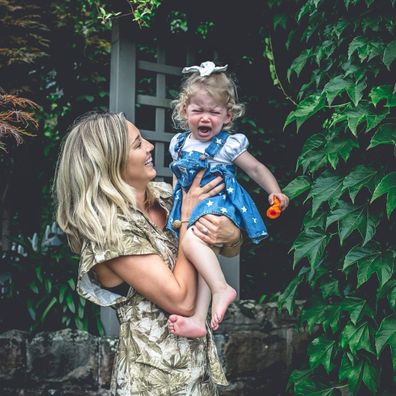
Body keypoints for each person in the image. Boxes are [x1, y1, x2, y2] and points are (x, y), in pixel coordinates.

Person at [54, 112, 242, 395]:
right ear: (110, 161)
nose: (151, 146)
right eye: (138, 144)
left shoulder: (167, 196)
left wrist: (232, 235)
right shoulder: (109, 231)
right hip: (154, 381)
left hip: (197, 375)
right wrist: (189, 219)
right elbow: (181, 300)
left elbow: (225, 246)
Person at [166, 61, 289, 338]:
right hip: (190, 207)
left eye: (214, 111)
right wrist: (177, 205)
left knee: (193, 242)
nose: (205, 118)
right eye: (198, 110)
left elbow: (255, 168)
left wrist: (275, 190)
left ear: (228, 116)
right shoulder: (179, 144)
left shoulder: (228, 145)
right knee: (199, 258)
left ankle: (222, 289)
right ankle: (199, 318)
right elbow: (178, 178)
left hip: (218, 205)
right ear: (185, 112)